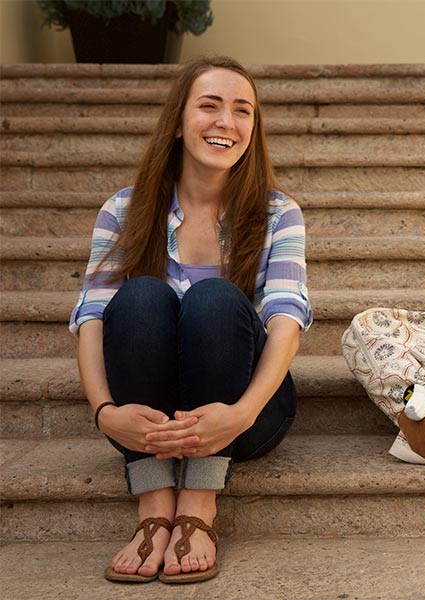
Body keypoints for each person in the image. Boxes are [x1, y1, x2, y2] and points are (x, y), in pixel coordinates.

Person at [69, 56, 312, 584]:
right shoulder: (123, 210)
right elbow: (90, 319)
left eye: (242, 110)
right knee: (137, 299)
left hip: (245, 410)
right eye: (210, 106)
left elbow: (286, 321)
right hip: (144, 414)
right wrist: (105, 412)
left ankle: (198, 505)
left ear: (254, 128)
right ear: (178, 122)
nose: (226, 122)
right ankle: (154, 503)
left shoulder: (277, 213)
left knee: (215, 300)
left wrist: (243, 413)